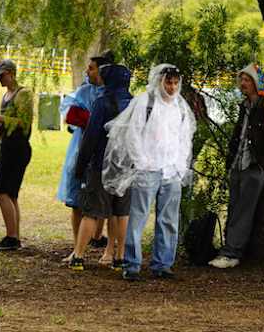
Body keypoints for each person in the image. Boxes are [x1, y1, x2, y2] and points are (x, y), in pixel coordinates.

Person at [103, 64, 196, 281]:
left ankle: (163, 264)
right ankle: (131, 264)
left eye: (175, 83)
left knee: (169, 219)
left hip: (171, 170)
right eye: (168, 82)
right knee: (138, 217)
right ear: (159, 81)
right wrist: (142, 161)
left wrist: (181, 165)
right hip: (148, 168)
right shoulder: (145, 102)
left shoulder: (180, 106)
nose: (172, 88)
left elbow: (185, 138)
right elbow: (133, 134)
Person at [209, 64, 264, 269]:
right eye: (241, 80)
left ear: (257, 82)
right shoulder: (245, 106)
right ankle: (230, 249)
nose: (243, 84)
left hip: (255, 165)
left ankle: (232, 252)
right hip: (239, 164)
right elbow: (239, 137)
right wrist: (230, 163)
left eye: (247, 80)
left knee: (243, 210)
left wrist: (262, 166)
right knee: (234, 207)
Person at [69, 63, 134, 271]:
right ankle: (120, 257)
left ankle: (78, 256)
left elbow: (91, 136)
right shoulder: (135, 104)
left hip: (101, 165)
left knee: (92, 212)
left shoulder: (102, 103)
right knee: (121, 212)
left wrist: (80, 166)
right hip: (127, 164)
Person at [57, 52, 111, 263]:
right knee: (76, 201)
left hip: (103, 154)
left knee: (104, 201)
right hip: (80, 150)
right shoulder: (84, 91)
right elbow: (70, 114)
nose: (87, 71)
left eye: (92, 68)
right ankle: (77, 247)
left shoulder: (112, 94)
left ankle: (106, 246)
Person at [0, 59, 34, 251]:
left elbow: (24, 123)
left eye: (1, 76)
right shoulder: (5, 95)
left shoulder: (24, 94)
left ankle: (12, 238)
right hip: (6, 146)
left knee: (1, 192)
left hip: (18, 149)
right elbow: (8, 126)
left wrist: (0, 118)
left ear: (11, 73)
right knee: (10, 194)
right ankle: (14, 236)